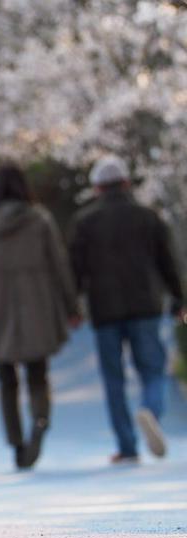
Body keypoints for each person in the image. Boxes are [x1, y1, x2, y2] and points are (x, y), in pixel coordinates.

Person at [0, 162, 80, 470]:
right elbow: (59, 264)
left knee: (6, 379)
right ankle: (39, 423)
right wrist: (71, 306)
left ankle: (15, 444)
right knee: (38, 373)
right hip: (36, 303)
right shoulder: (40, 220)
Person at [69, 154, 184, 464]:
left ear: (96, 189)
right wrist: (178, 298)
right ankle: (152, 410)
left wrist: (72, 307)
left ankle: (127, 445)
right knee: (152, 369)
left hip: (104, 309)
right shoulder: (148, 217)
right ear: (127, 184)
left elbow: (75, 270)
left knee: (113, 378)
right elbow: (167, 263)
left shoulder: (85, 222)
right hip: (145, 304)